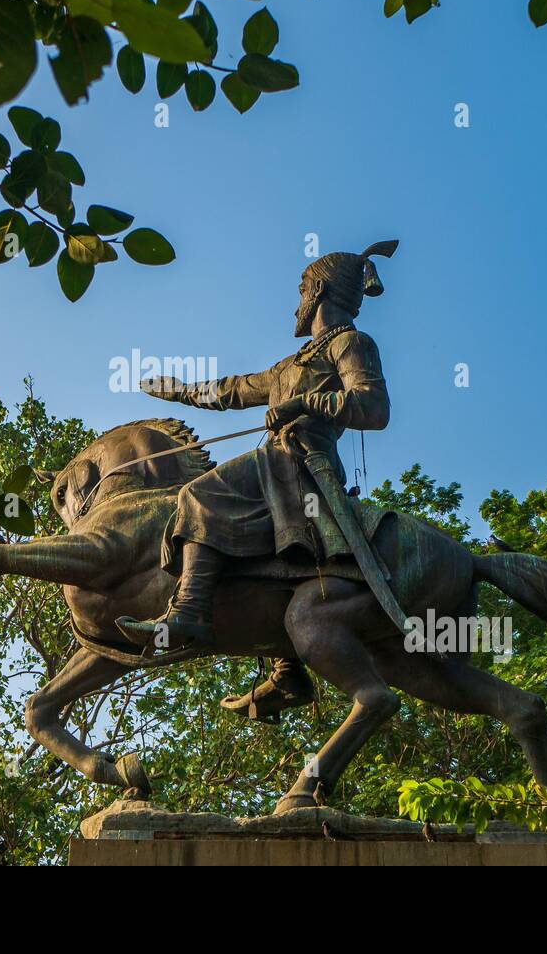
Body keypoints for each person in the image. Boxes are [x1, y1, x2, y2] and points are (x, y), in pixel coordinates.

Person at [119, 243, 394, 719]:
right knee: (253, 555)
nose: (296, 302)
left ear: (319, 291)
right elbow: (230, 391)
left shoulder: (352, 344)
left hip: (303, 465)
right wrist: (178, 390)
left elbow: (374, 409)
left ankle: (188, 610)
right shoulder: (289, 367)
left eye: (302, 290)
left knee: (198, 494)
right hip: (276, 467)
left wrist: (304, 406)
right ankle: (287, 667)